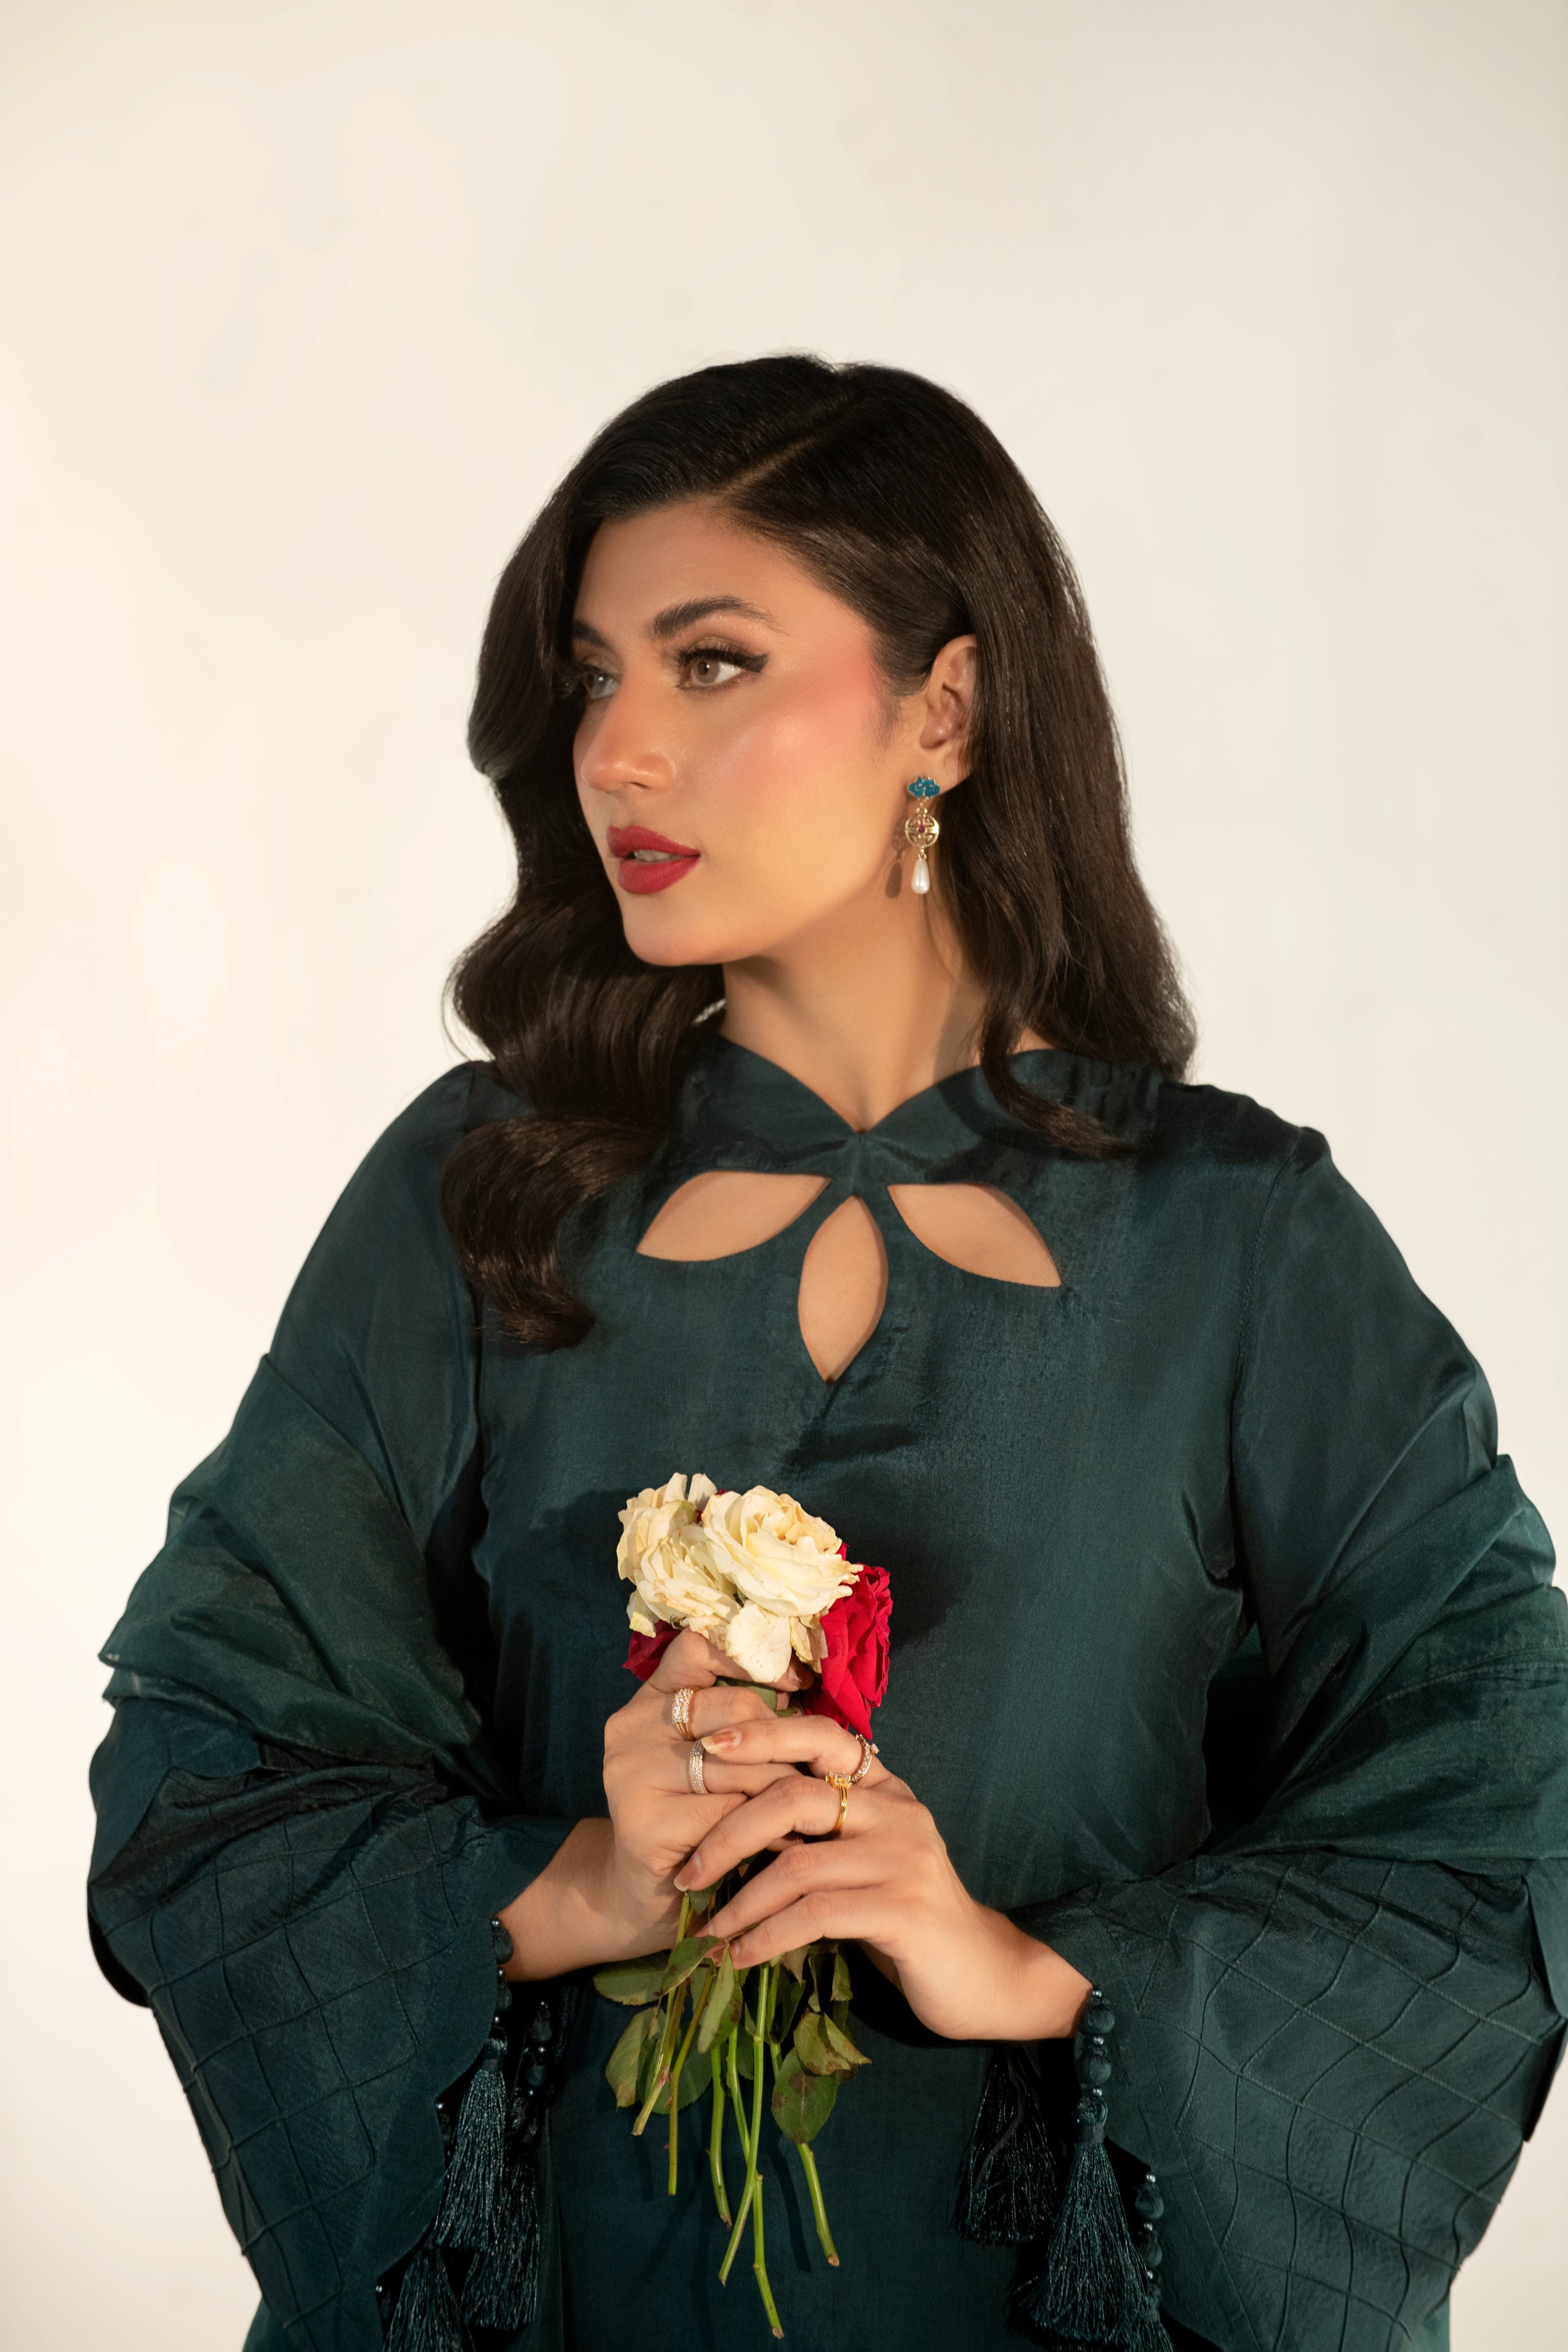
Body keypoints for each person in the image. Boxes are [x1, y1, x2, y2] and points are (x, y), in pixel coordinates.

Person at [88, 357, 1568, 2352]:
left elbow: (1500, 1790)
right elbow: (208, 1764)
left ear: (940, 707)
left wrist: (1027, 1966)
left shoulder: (1239, 1240)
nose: (618, 750)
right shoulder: (477, 1201)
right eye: (594, 676)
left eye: (708, 665)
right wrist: (585, 1885)